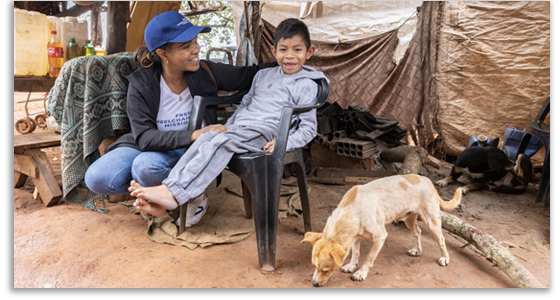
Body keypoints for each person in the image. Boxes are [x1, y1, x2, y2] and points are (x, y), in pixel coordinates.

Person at [84, 11, 278, 226]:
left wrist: (291, 61)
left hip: (192, 149)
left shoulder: (206, 72)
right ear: (163, 54)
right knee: (97, 177)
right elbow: (146, 138)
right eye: (186, 47)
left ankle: (191, 196)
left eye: (195, 42)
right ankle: (162, 193)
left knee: (146, 166)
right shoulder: (142, 83)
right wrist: (195, 134)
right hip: (152, 143)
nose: (196, 50)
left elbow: (251, 74)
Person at [128, 18, 328, 223]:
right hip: (240, 129)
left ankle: (172, 194)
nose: (290, 56)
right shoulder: (263, 76)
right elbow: (245, 105)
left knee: (220, 142)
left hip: (265, 132)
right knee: (207, 138)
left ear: (309, 52)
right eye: (283, 49)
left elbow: (309, 128)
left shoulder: (307, 85)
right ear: (273, 50)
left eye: (297, 50)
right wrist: (228, 126)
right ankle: (171, 192)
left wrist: (284, 142)